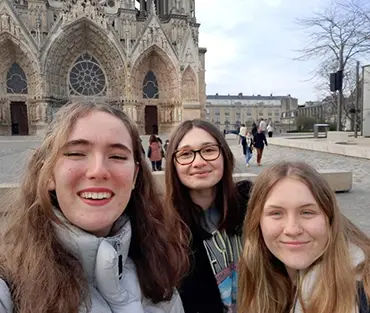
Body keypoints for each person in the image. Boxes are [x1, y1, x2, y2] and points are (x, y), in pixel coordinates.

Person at [0, 102, 188, 313]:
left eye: (117, 156)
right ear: (49, 173)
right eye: (76, 153)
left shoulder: (158, 272)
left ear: (135, 176)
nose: (98, 171)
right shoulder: (8, 285)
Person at [238, 161, 370, 313]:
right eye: (276, 213)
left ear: (330, 219)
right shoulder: (261, 278)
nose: (292, 229)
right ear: (257, 222)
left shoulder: (364, 293)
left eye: (307, 212)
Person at [164, 119, 253, 313]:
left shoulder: (254, 208)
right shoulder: (160, 228)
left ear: (224, 155)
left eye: (209, 150)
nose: (198, 162)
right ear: (173, 164)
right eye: (186, 154)